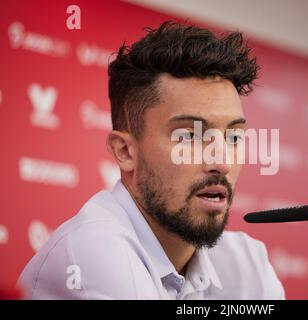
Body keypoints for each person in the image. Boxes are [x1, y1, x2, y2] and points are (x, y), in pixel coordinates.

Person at [18, 21, 285, 299]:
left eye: (233, 137)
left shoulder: (246, 264)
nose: (222, 162)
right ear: (125, 152)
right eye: (190, 137)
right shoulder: (91, 254)